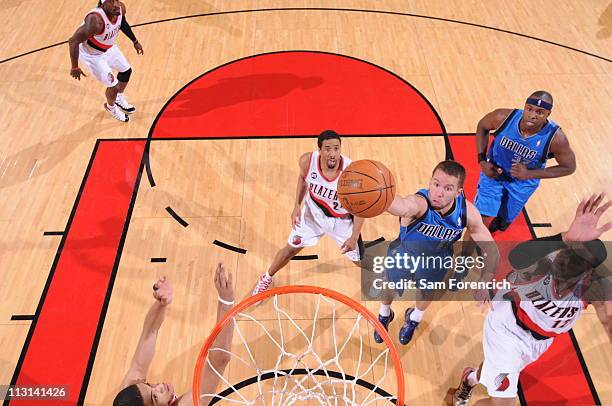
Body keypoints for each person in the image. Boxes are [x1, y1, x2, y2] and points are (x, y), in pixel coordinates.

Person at [453, 194, 612, 406]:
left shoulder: (595, 284)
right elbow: (518, 255)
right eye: (569, 252)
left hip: (538, 343)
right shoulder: (547, 259)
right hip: (507, 326)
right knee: (502, 403)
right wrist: (566, 237)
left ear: (588, 271)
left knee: (494, 371)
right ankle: (473, 380)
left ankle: (471, 379)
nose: (567, 260)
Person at [374, 160, 498, 345]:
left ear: (458, 192)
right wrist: (379, 196)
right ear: (430, 182)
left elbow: (492, 251)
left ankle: (414, 318)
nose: (438, 192)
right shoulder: (420, 203)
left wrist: (485, 279)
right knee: (388, 287)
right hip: (405, 253)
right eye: (436, 184)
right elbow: (402, 205)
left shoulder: (467, 213)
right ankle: (385, 314)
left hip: (437, 261)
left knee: (426, 293)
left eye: (447, 188)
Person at [252, 130, 365, 295]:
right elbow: (303, 179)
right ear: (319, 150)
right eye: (327, 149)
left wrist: (354, 237)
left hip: (342, 221)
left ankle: (384, 277)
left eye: (336, 148)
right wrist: (297, 205)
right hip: (313, 214)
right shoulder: (307, 161)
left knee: (360, 261)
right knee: (290, 249)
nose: (332, 154)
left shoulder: (351, 172)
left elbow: (360, 209)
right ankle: (267, 277)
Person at [112, 263, 235, 406]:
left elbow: (149, 333)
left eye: (150, 384)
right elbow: (220, 359)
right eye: (155, 398)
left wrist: (161, 303)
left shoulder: (129, 397)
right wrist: (226, 302)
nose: (158, 387)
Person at [474, 91, 576, 232]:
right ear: (524, 107)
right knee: (480, 218)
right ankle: (470, 248)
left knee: (505, 218)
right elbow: (482, 126)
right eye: (529, 109)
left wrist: (529, 174)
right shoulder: (503, 117)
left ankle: (500, 222)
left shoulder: (556, 138)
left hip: (523, 183)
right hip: (494, 173)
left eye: (540, 112)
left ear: (548, 114)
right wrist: (482, 160)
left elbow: (569, 167)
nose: (532, 115)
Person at [68, 0, 143, 123]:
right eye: (110, 2)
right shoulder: (95, 21)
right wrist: (74, 67)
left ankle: (118, 97)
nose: (115, 5)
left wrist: (135, 41)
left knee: (126, 71)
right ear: (102, 4)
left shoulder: (120, 9)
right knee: (113, 87)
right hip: (92, 55)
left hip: (108, 48)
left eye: (115, 0)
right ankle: (111, 107)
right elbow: (73, 41)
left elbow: (122, 23)